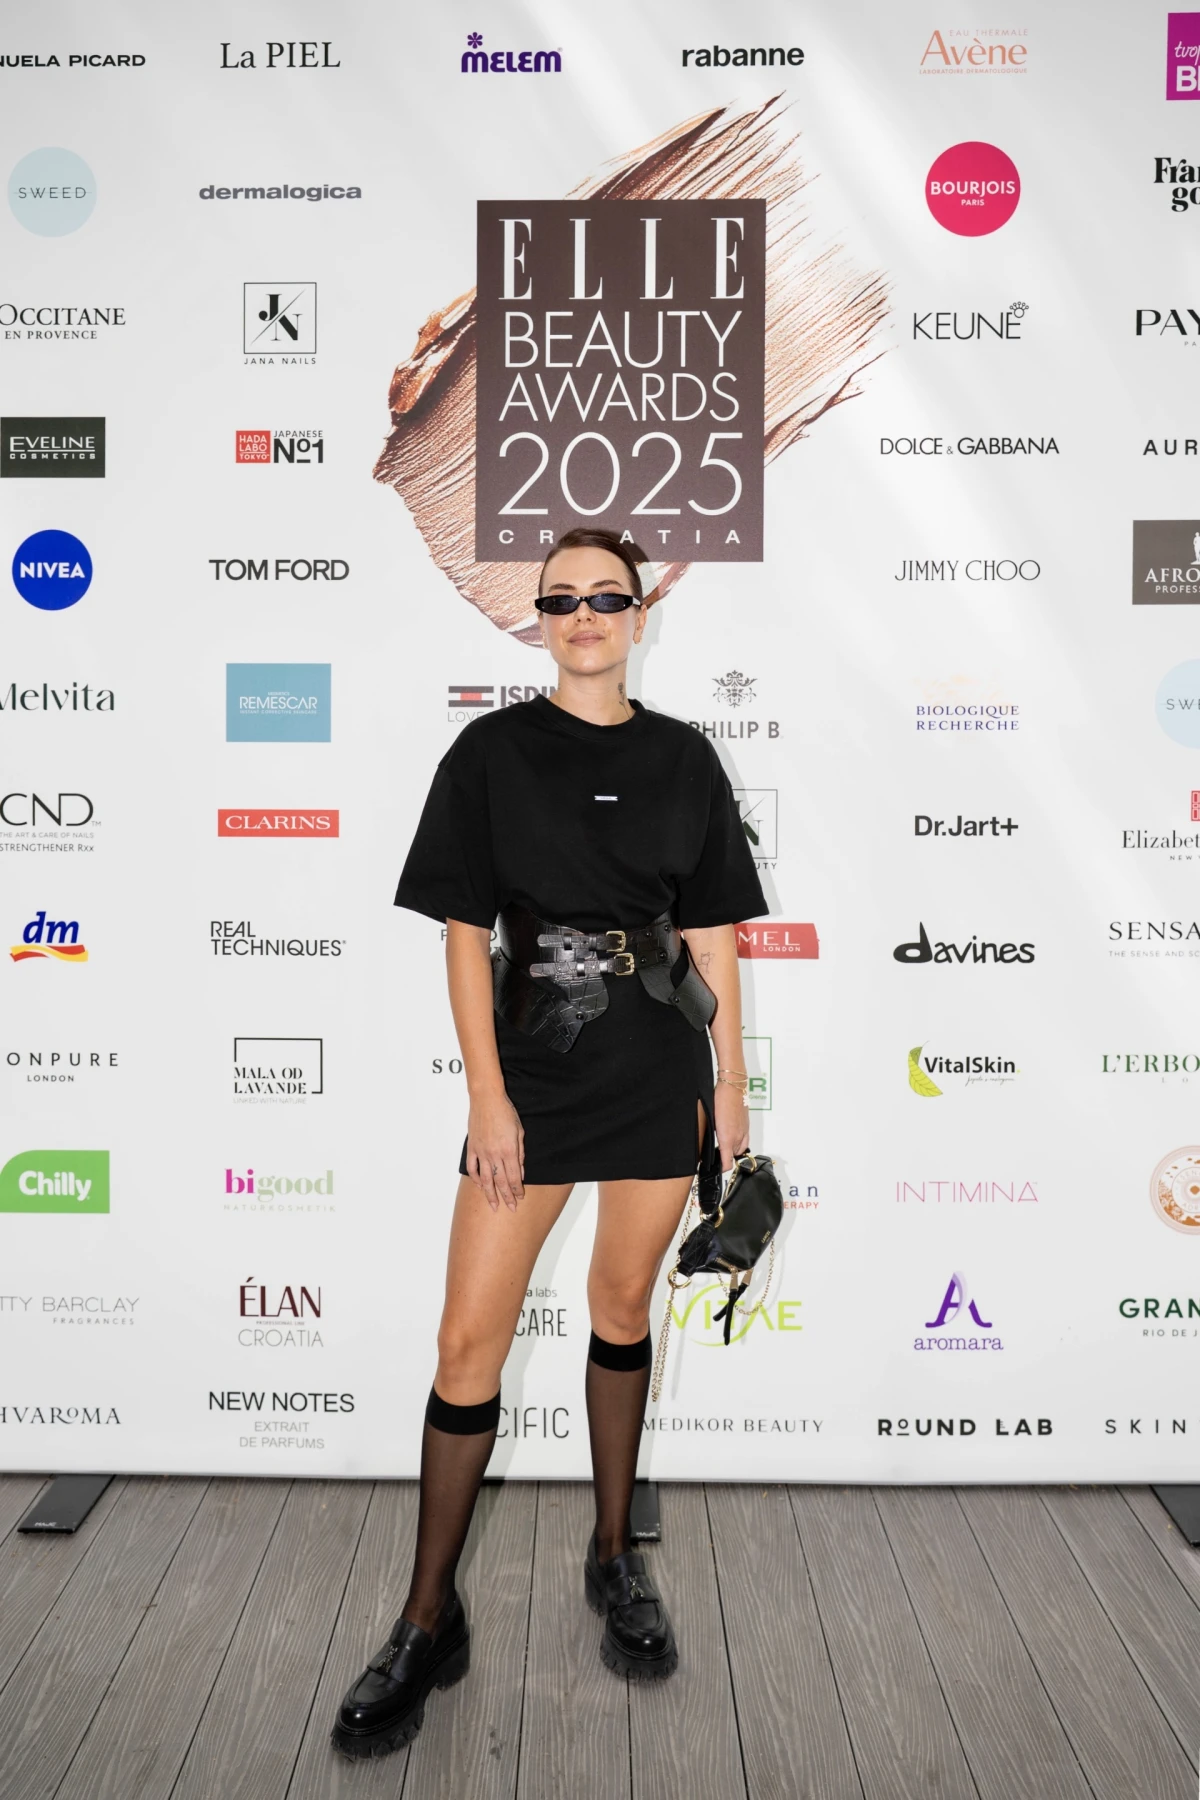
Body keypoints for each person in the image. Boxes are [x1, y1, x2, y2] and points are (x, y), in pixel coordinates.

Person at [331, 527, 768, 1759]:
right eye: (561, 598)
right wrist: (487, 1098)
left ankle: (615, 1554)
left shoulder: (686, 759)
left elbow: (714, 934)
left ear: (640, 614)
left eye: (605, 598)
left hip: (655, 1072)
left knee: (622, 1307)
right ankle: (428, 1616)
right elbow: (462, 934)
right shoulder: (489, 754)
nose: (584, 615)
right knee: (466, 1344)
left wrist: (731, 1086)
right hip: (530, 1074)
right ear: (538, 617)